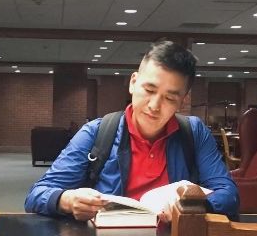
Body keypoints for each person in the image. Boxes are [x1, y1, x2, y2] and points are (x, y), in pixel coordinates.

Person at [24, 40, 239, 221]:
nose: (154, 106)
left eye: (170, 98)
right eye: (149, 90)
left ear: (182, 101)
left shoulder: (194, 132)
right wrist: (67, 200)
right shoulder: (97, 132)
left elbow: (229, 194)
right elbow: (37, 194)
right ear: (133, 83)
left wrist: (194, 207)